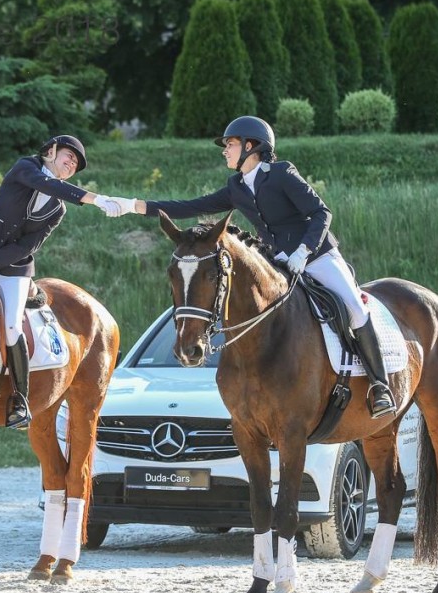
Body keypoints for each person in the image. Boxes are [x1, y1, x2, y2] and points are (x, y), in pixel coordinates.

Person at [101, 116, 396, 418]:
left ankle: (380, 386)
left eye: (230, 144)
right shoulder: (236, 187)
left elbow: (322, 213)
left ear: (250, 146)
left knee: (355, 308)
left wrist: (303, 251)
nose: (225, 150)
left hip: (317, 256)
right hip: (277, 263)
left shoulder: (281, 174)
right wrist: (132, 205)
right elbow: (189, 206)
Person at [0, 135, 121, 429]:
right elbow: (47, 185)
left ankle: (19, 400)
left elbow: (27, 246)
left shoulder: (58, 209)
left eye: (76, 164)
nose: (72, 164)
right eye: (69, 156)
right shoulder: (26, 168)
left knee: (12, 326)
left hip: (13, 268)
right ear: (51, 151)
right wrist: (96, 199)